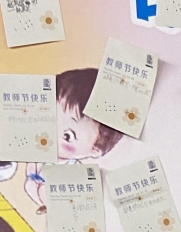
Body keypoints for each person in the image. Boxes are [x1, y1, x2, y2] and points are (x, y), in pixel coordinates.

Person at [23, 67, 124, 211]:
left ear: (95, 149)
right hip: (36, 186)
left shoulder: (75, 170)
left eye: (67, 136)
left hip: (58, 200)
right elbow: (32, 168)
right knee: (30, 186)